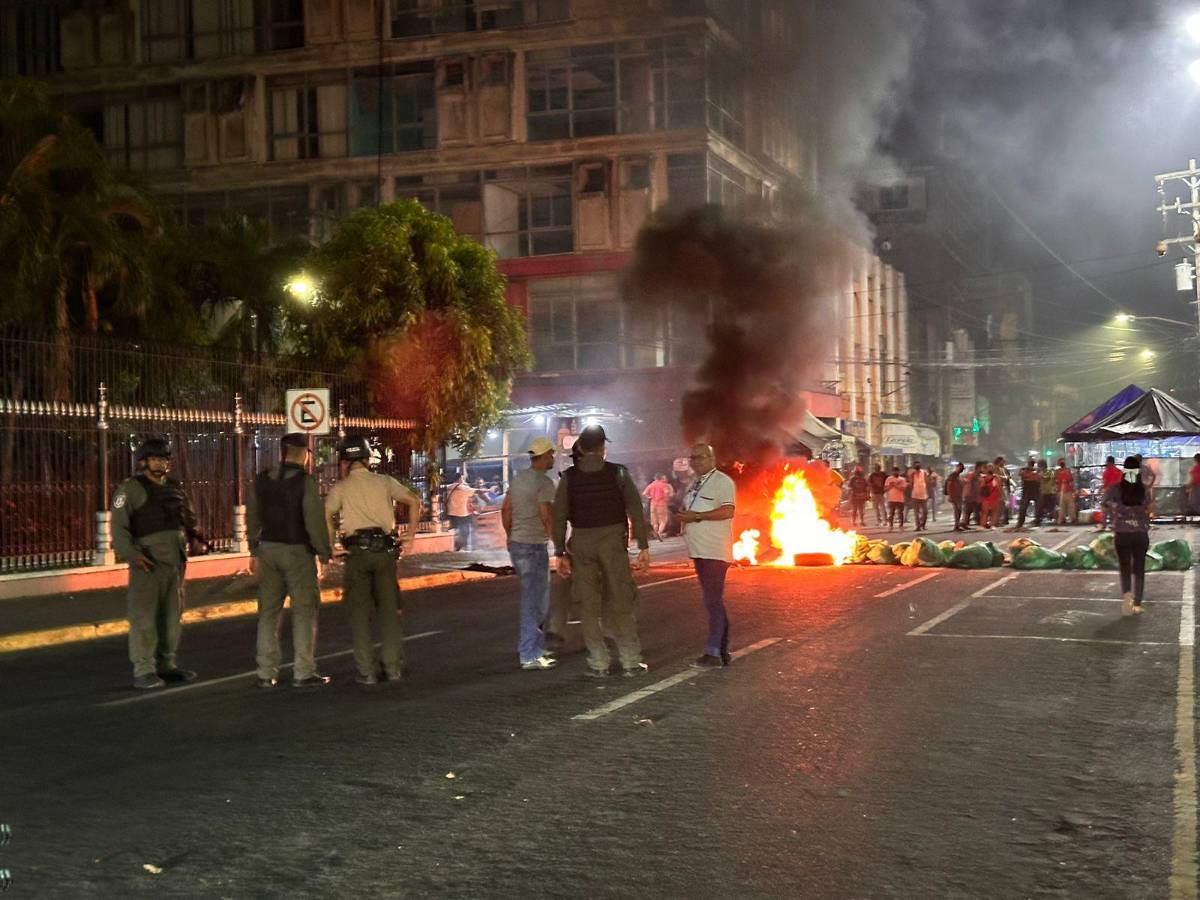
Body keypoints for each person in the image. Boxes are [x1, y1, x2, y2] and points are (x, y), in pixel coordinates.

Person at [553, 424, 651, 678]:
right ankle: (630, 660)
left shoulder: (569, 478)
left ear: (582, 447)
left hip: (582, 542)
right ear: (602, 448)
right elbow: (636, 510)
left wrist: (560, 553)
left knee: (588, 602)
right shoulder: (618, 473)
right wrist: (643, 546)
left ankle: (598, 662)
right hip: (612, 542)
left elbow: (559, 517)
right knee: (621, 598)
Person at [325, 436, 421, 686]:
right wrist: (410, 535)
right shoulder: (384, 481)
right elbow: (413, 501)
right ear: (368, 459)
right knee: (389, 612)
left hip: (356, 555)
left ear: (345, 462)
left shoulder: (341, 488)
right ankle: (392, 668)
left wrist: (331, 545)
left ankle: (366, 672)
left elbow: (327, 513)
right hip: (385, 554)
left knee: (359, 615)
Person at [246, 432, 334, 688]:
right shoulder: (304, 482)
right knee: (304, 611)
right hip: (297, 553)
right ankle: (303, 671)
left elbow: (253, 516)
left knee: (268, 613)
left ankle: (265, 672)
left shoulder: (262, 480)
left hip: (268, 550)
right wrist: (324, 554)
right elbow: (314, 522)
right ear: (304, 454)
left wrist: (254, 550)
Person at [110, 438, 198, 690]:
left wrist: (195, 537)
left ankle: (166, 665)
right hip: (148, 561)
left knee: (172, 617)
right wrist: (132, 554)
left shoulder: (174, 487)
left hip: (175, 561)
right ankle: (144, 669)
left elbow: (187, 516)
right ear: (143, 462)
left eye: (164, 458)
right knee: (144, 617)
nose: (160, 463)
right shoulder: (131, 489)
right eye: (155, 458)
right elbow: (119, 528)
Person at [676, 443, 736, 669]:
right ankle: (721, 650)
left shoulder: (723, 482)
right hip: (698, 551)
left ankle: (713, 653)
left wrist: (696, 517)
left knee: (713, 600)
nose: (696, 461)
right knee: (713, 601)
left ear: (712, 458)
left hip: (715, 551)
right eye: (693, 458)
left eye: (700, 457)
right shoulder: (694, 484)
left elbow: (728, 511)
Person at [502, 437, 558, 671]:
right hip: (534, 546)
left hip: (518, 544)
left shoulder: (519, 480)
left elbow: (506, 509)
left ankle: (534, 648)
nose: (553, 458)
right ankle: (529, 654)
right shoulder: (544, 483)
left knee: (531, 597)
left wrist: (510, 535)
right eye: (551, 455)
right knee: (536, 601)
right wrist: (559, 545)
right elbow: (546, 515)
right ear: (544, 457)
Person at [1105, 456, 1150, 616]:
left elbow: (1105, 502)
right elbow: (1148, 505)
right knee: (1139, 569)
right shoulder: (1143, 489)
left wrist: (1117, 507)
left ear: (1124, 470)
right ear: (1138, 471)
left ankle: (1126, 599)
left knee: (1124, 567)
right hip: (1140, 533)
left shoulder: (1115, 488)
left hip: (1122, 533)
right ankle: (1137, 604)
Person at [446, 472, 476, 551]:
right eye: (462, 478)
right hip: (463, 513)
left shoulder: (447, 487)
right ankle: (461, 546)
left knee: (454, 529)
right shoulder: (463, 488)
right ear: (460, 478)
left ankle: (455, 546)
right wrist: (490, 490)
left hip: (451, 512)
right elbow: (474, 492)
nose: (463, 480)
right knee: (465, 531)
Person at [642, 473, 675, 541]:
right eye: (665, 478)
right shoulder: (664, 485)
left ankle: (656, 532)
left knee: (654, 521)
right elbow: (667, 493)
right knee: (663, 520)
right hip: (661, 504)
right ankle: (659, 532)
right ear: (662, 478)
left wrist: (650, 497)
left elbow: (644, 493)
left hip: (653, 504)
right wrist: (666, 498)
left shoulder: (651, 485)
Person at [1015, 458, 1041, 531]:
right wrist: (1029, 474)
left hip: (1035, 489)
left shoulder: (1037, 470)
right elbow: (1021, 474)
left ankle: (1037, 521)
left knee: (1038, 507)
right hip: (1027, 490)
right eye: (1030, 463)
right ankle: (1020, 522)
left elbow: (1038, 478)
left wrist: (1029, 475)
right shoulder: (1024, 469)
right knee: (1023, 507)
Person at [1098, 456, 1122, 531]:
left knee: (1104, 507)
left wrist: (1100, 489)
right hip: (1118, 492)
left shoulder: (1107, 471)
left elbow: (1105, 483)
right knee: (1114, 508)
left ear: (1108, 462)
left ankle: (1104, 524)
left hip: (1109, 491)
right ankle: (1114, 524)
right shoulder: (1119, 471)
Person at [884, 467, 907, 532]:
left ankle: (901, 526)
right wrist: (891, 486)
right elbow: (885, 489)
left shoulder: (902, 479)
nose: (895, 473)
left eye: (897, 471)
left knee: (900, 513)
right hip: (891, 499)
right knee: (891, 513)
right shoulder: (889, 479)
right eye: (894, 471)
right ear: (892, 472)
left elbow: (903, 489)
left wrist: (895, 485)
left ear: (899, 472)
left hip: (900, 499)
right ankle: (890, 526)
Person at [978, 464, 1000, 530]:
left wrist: (1001, 496)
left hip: (994, 497)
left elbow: (999, 487)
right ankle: (983, 525)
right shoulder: (983, 478)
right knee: (985, 512)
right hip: (986, 497)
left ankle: (992, 524)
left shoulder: (996, 477)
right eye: (988, 467)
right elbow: (981, 487)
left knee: (994, 511)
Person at [1055, 458, 1077, 525]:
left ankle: (1072, 519)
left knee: (1070, 506)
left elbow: (1071, 480)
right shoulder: (1057, 471)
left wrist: (1073, 489)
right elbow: (1056, 481)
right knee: (1062, 506)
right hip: (1061, 491)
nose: (1062, 463)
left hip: (1068, 490)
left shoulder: (1068, 470)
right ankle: (1062, 519)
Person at [909, 461, 929, 531]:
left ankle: (923, 525)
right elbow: (911, 484)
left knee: (925, 512)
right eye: (915, 464)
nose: (917, 465)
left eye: (918, 464)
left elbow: (927, 482)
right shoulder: (912, 474)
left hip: (924, 495)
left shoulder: (924, 473)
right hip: (915, 495)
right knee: (916, 512)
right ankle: (918, 526)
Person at [945, 463, 965, 531]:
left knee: (958, 510)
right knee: (958, 510)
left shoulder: (958, 475)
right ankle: (956, 525)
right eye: (960, 467)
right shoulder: (953, 475)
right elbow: (949, 484)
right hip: (954, 496)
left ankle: (957, 525)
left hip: (958, 495)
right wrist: (950, 495)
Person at [962, 462, 980, 529]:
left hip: (973, 496)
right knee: (968, 510)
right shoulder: (972, 475)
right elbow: (970, 485)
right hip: (970, 495)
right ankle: (964, 523)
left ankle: (966, 523)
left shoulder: (976, 475)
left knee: (974, 510)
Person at [1039, 459, 1057, 524]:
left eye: (1040, 466)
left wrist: (1041, 475)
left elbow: (1047, 478)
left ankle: (1053, 518)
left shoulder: (1049, 472)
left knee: (1051, 506)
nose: (1040, 468)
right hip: (1043, 492)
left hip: (1050, 492)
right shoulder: (1040, 472)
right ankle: (1045, 517)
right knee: (1043, 506)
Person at [1189, 453, 1200, 521]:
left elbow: (1195, 478)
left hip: (1197, 486)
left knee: (1193, 502)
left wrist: (1189, 485)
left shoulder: (1196, 468)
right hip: (1196, 485)